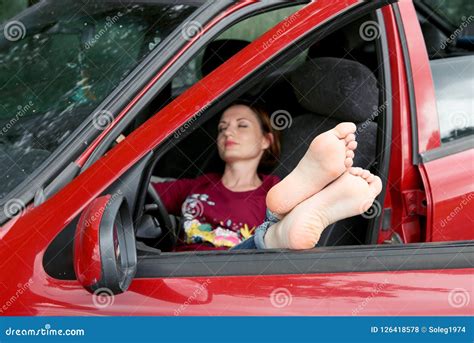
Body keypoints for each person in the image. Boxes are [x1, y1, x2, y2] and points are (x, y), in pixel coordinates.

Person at [153, 101, 381, 251]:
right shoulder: (199, 184)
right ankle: (280, 234)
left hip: (234, 275)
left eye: (241, 125)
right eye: (222, 128)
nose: (228, 132)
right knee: (277, 221)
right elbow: (143, 191)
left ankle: (282, 232)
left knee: (274, 215)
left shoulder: (273, 189)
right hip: (179, 272)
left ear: (266, 140)